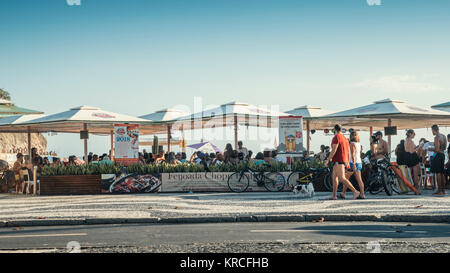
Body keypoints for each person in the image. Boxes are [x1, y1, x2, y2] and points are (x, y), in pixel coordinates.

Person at [324, 124, 360, 200]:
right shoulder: (344, 138)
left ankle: (355, 191)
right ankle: (334, 195)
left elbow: (334, 150)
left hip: (339, 160)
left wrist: (328, 160)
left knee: (342, 178)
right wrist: (347, 161)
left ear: (334, 129)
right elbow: (347, 150)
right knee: (334, 178)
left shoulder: (336, 137)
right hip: (342, 160)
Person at [342, 131, 365, 199]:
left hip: (353, 163)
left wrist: (354, 164)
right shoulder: (358, 144)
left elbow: (353, 154)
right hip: (359, 162)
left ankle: (344, 193)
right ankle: (362, 194)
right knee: (359, 180)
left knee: (345, 179)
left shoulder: (352, 144)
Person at [428, 125, 448, 196]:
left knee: (437, 173)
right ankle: (443, 190)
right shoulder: (443, 136)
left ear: (434, 130)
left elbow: (436, 150)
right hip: (442, 155)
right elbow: (445, 147)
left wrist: (430, 148)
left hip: (438, 155)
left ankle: (439, 190)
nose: (432, 132)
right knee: (442, 172)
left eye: (432, 131)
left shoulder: (436, 137)